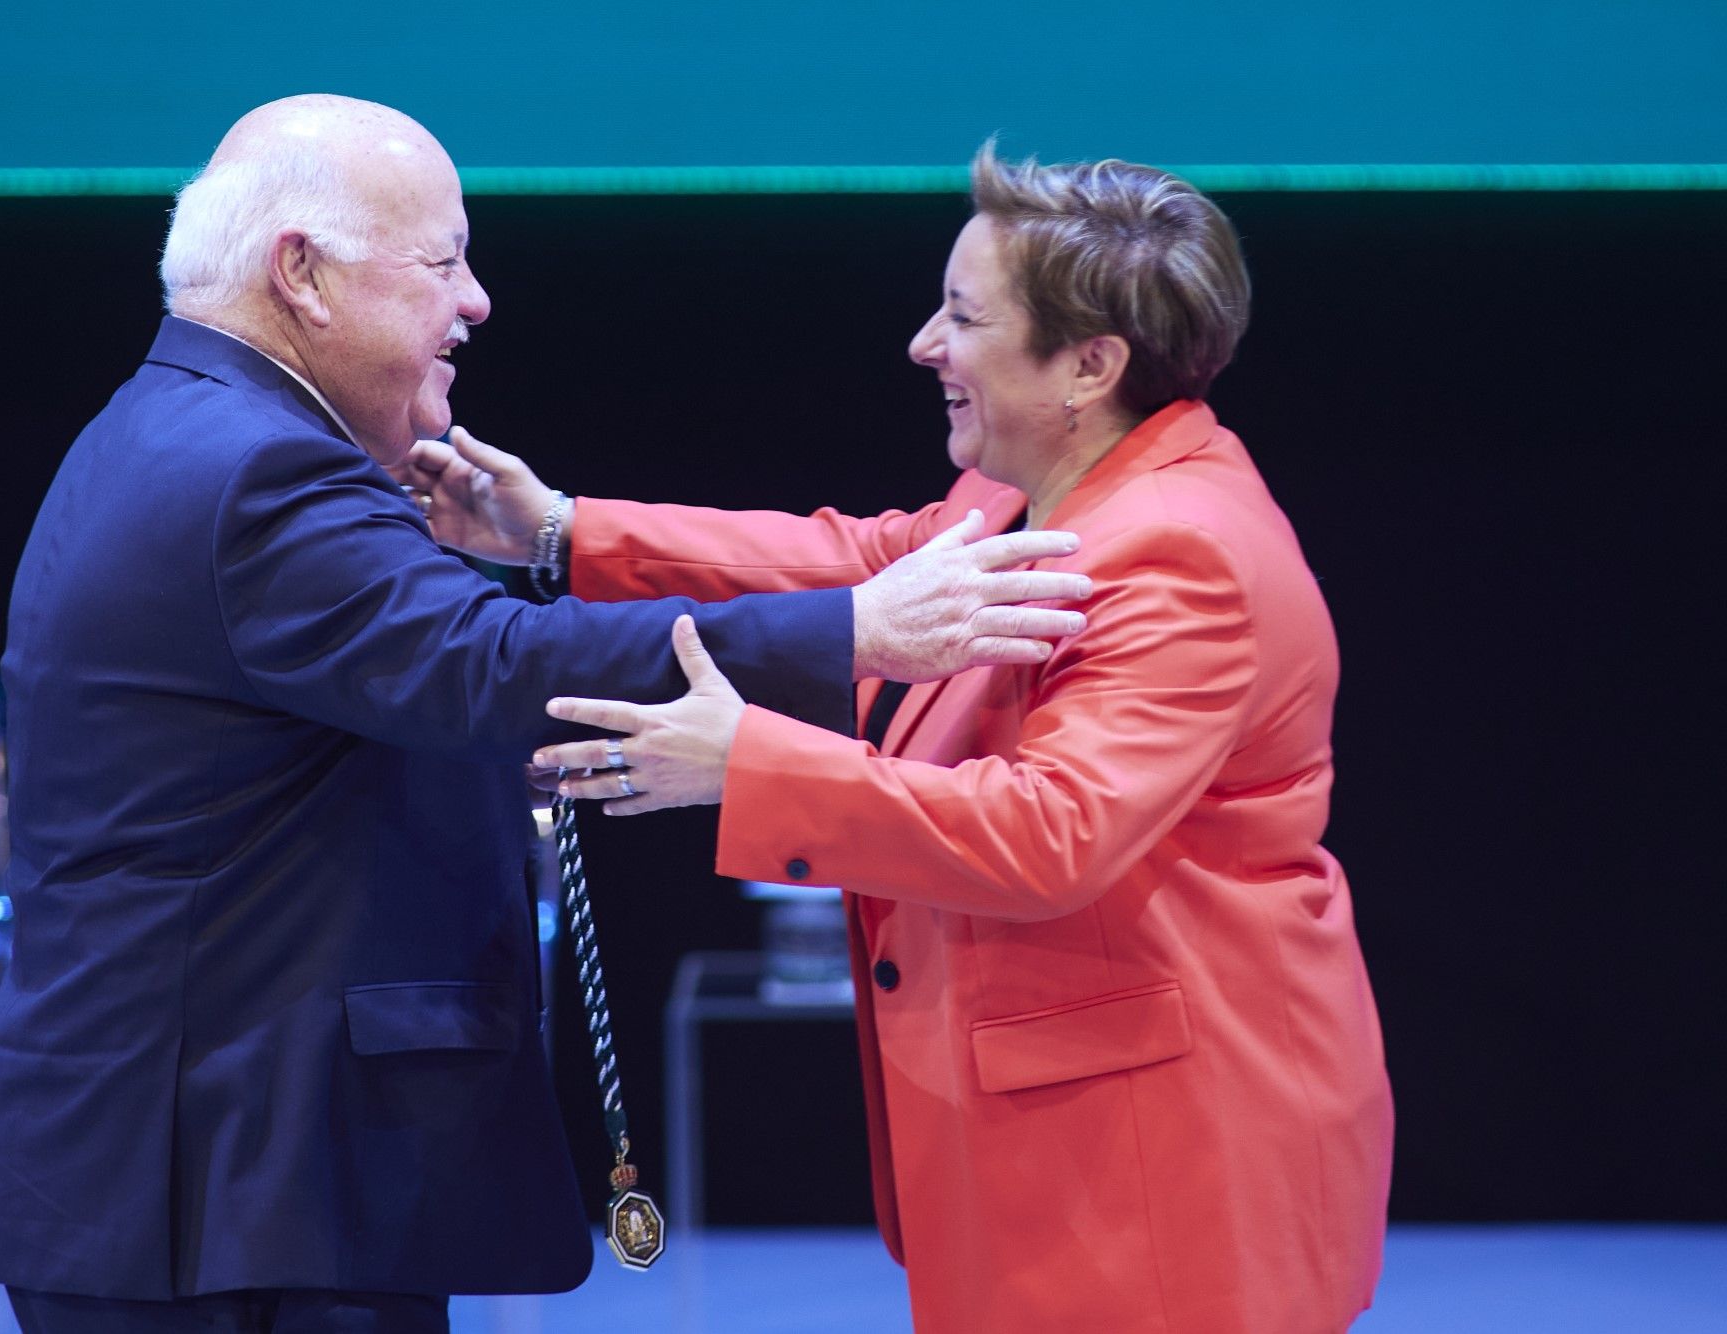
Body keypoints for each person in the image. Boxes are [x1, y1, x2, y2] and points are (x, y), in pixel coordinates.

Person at [0, 99, 1093, 1334]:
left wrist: (556, 543)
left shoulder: (194, 426)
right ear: (302, 274)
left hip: (213, 1178)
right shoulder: (259, 468)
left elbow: (401, 689)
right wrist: (854, 636)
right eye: (444, 261)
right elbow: (487, 663)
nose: (477, 299)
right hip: (233, 1193)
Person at [404, 145, 1396, 1332]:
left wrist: (744, 762)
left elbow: (1050, 833)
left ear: (1089, 364)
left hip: (1162, 1165)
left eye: (964, 316)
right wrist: (565, 534)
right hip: (1073, 1141)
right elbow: (860, 567)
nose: (925, 343)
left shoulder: (1182, 554)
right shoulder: (1025, 494)